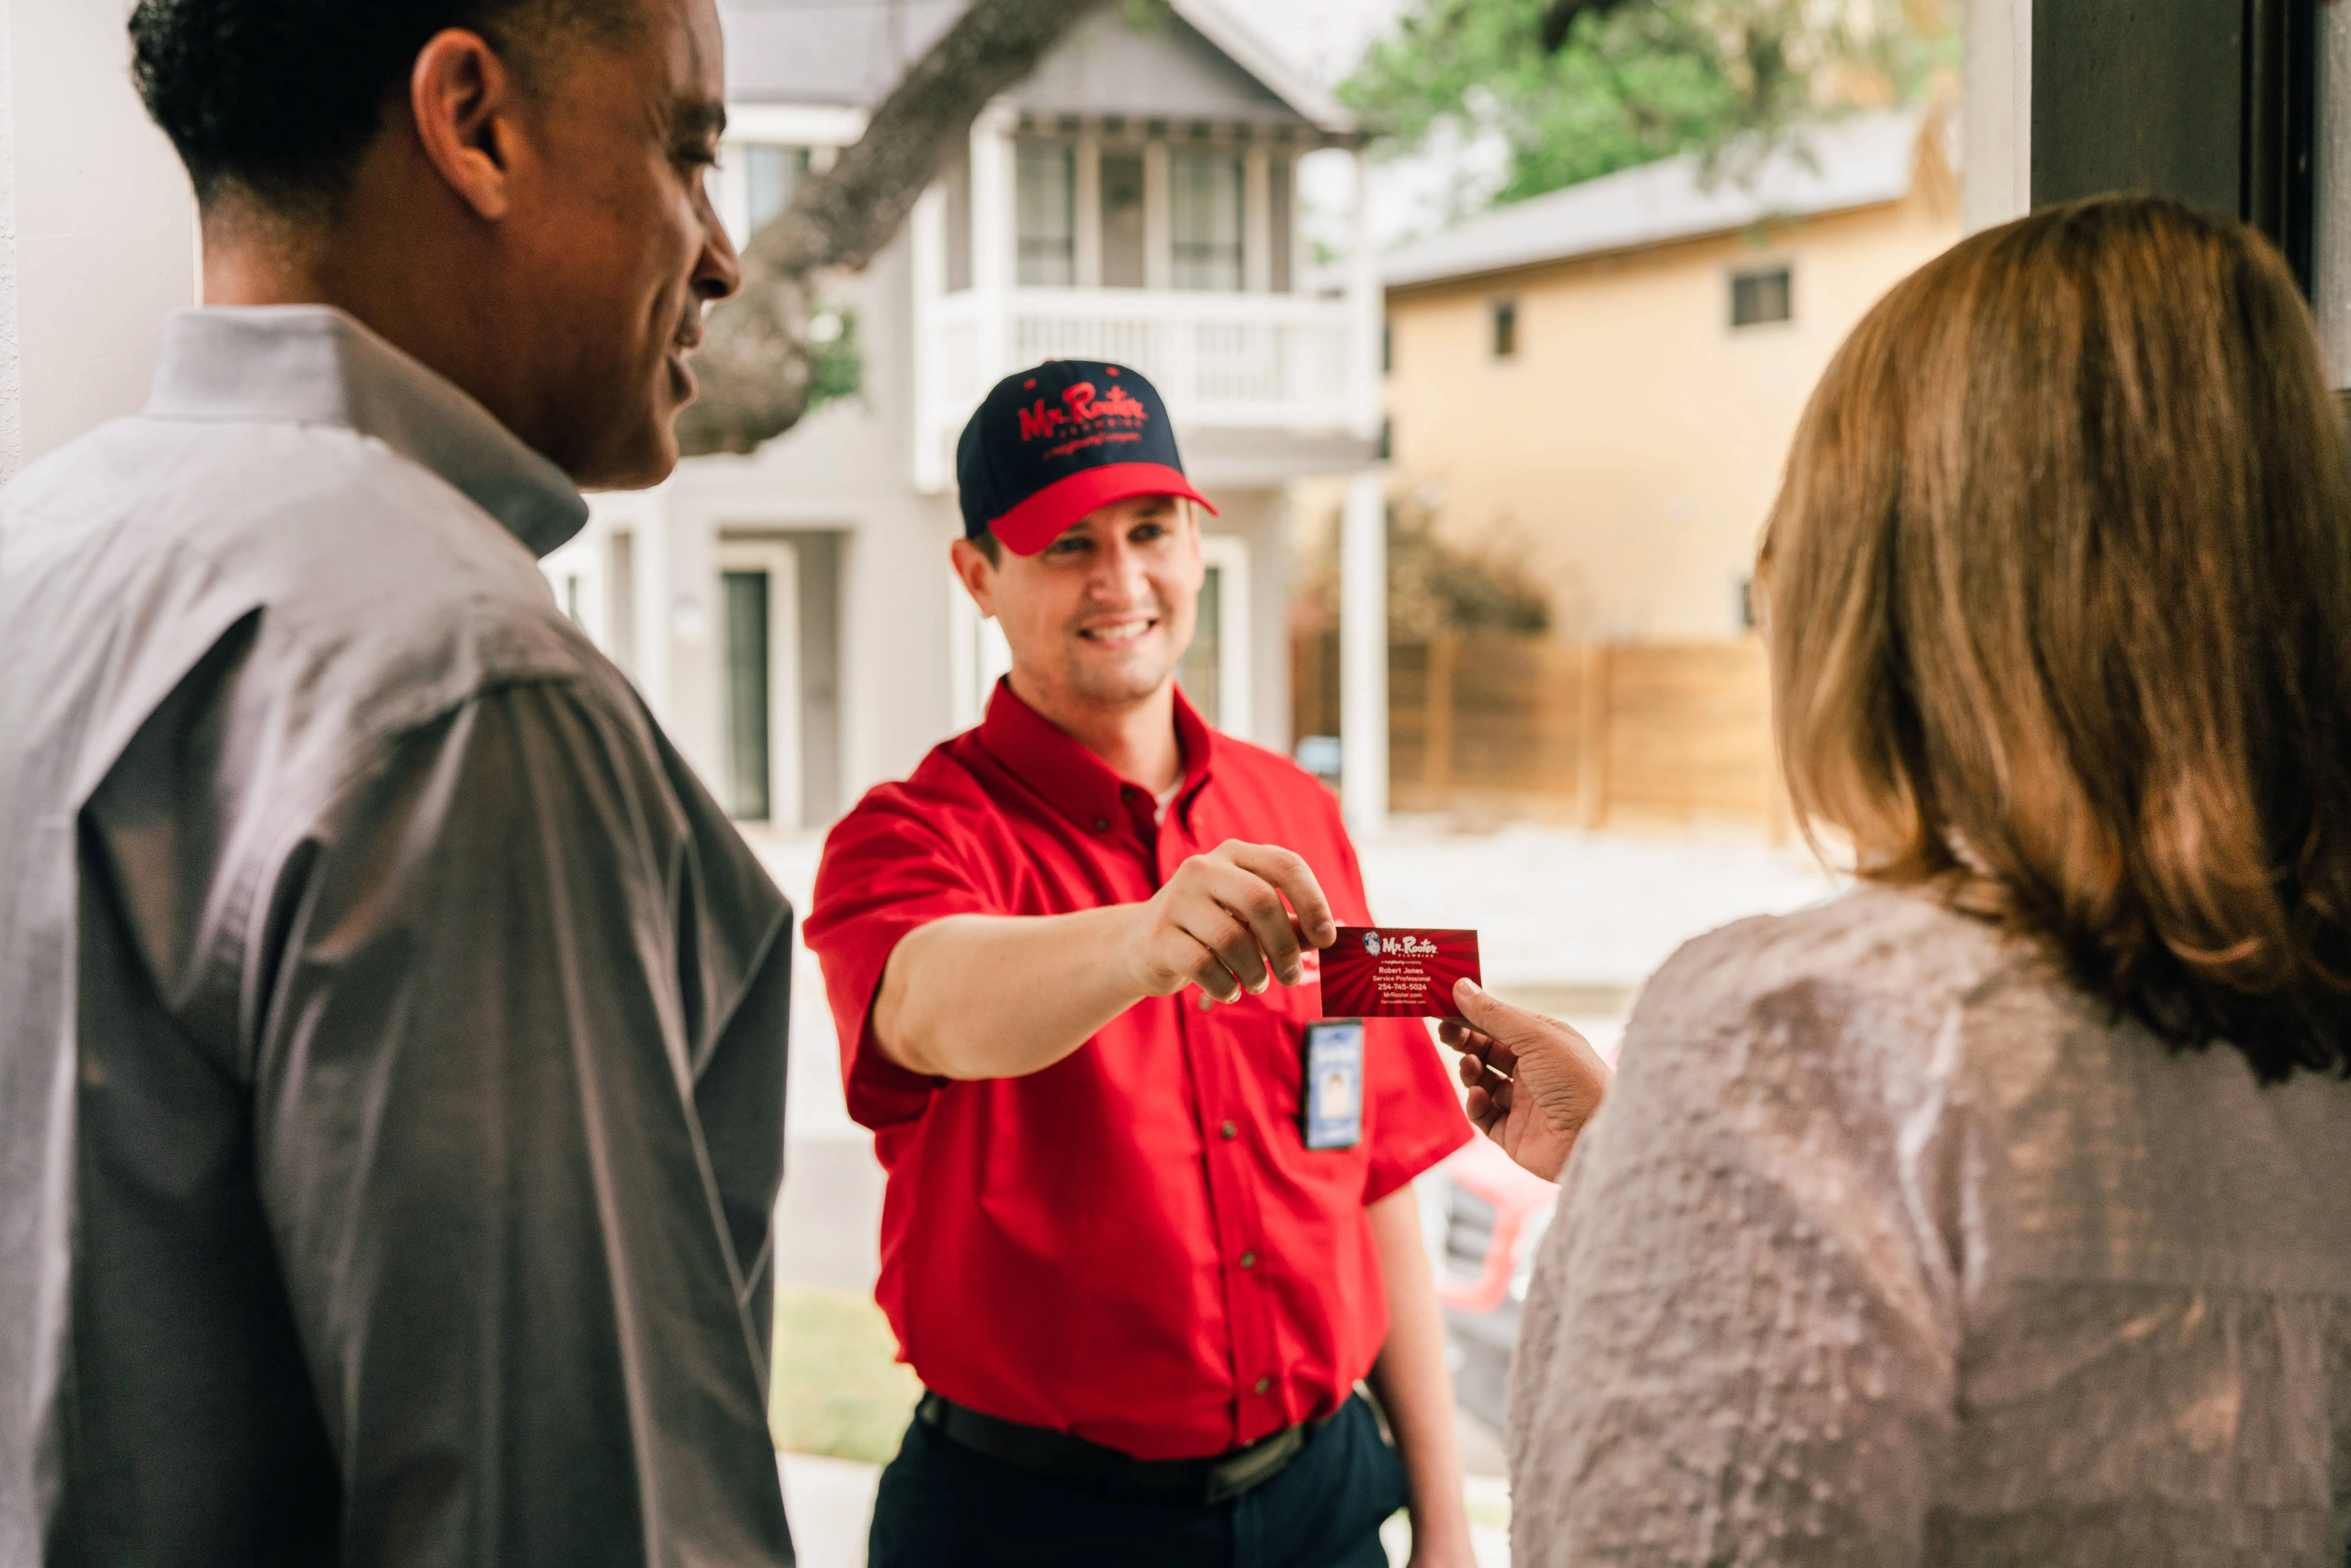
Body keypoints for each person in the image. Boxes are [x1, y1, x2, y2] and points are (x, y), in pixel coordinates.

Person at [1445, 195, 2351, 1565]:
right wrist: (1650, 1172)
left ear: (1889, 590)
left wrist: (1720, 1141)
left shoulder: (1813, 1034)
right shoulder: (2300, 1018)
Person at [0, 1, 793, 1562]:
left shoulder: (43, 553)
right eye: (687, 155)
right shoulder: (459, 691)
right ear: (473, 122)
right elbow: (559, 1522)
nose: (722, 255)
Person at [803, 359, 1478, 1568]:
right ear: (978, 577)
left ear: (1195, 547)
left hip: (1324, 1506)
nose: (1121, 581)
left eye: (1150, 529)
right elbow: (926, 1003)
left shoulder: (1298, 816)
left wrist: (1443, 1516)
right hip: (1031, 1526)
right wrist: (1135, 940)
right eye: (1067, 543)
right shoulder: (906, 838)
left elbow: (1370, 1164)